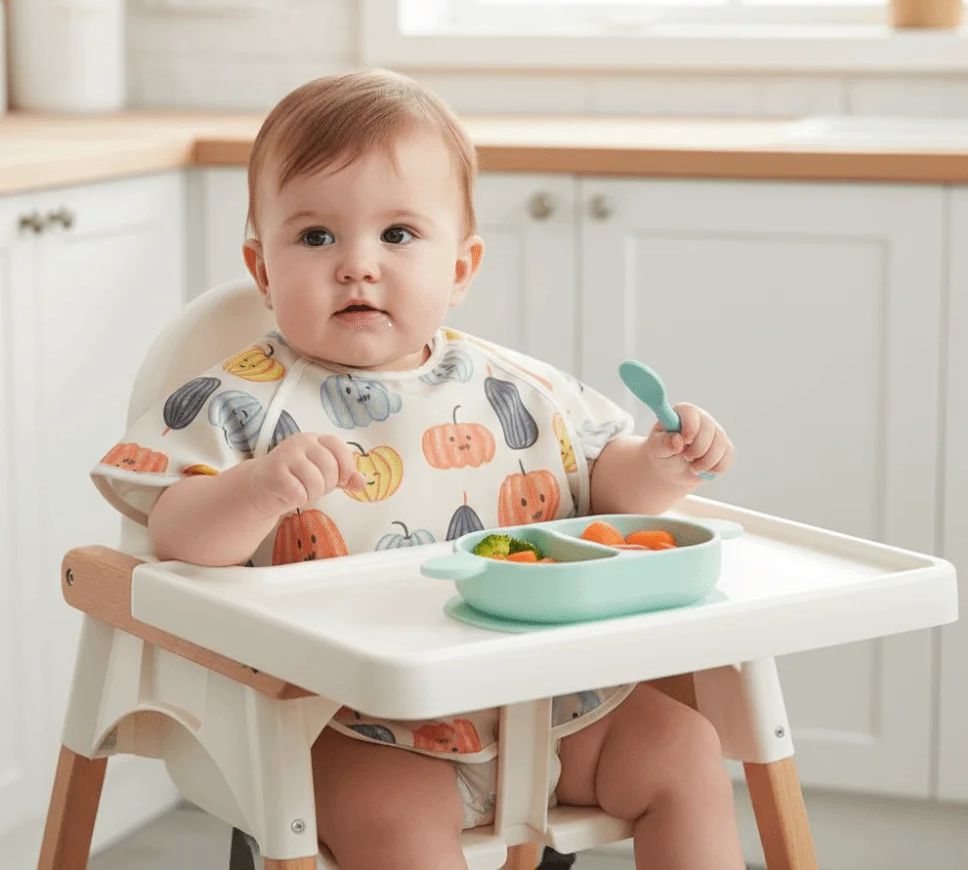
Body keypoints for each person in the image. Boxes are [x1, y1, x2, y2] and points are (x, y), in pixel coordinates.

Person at [91, 69, 742, 870]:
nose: (357, 264)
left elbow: (608, 488)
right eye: (316, 237)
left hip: (551, 703)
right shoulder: (235, 402)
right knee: (399, 825)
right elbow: (173, 536)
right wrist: (254, 492)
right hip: (351, 722)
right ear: (262, 271)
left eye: (397, 235)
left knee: (685, 750)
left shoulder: (520, 389)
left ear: (461, 269)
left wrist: (664, 464)